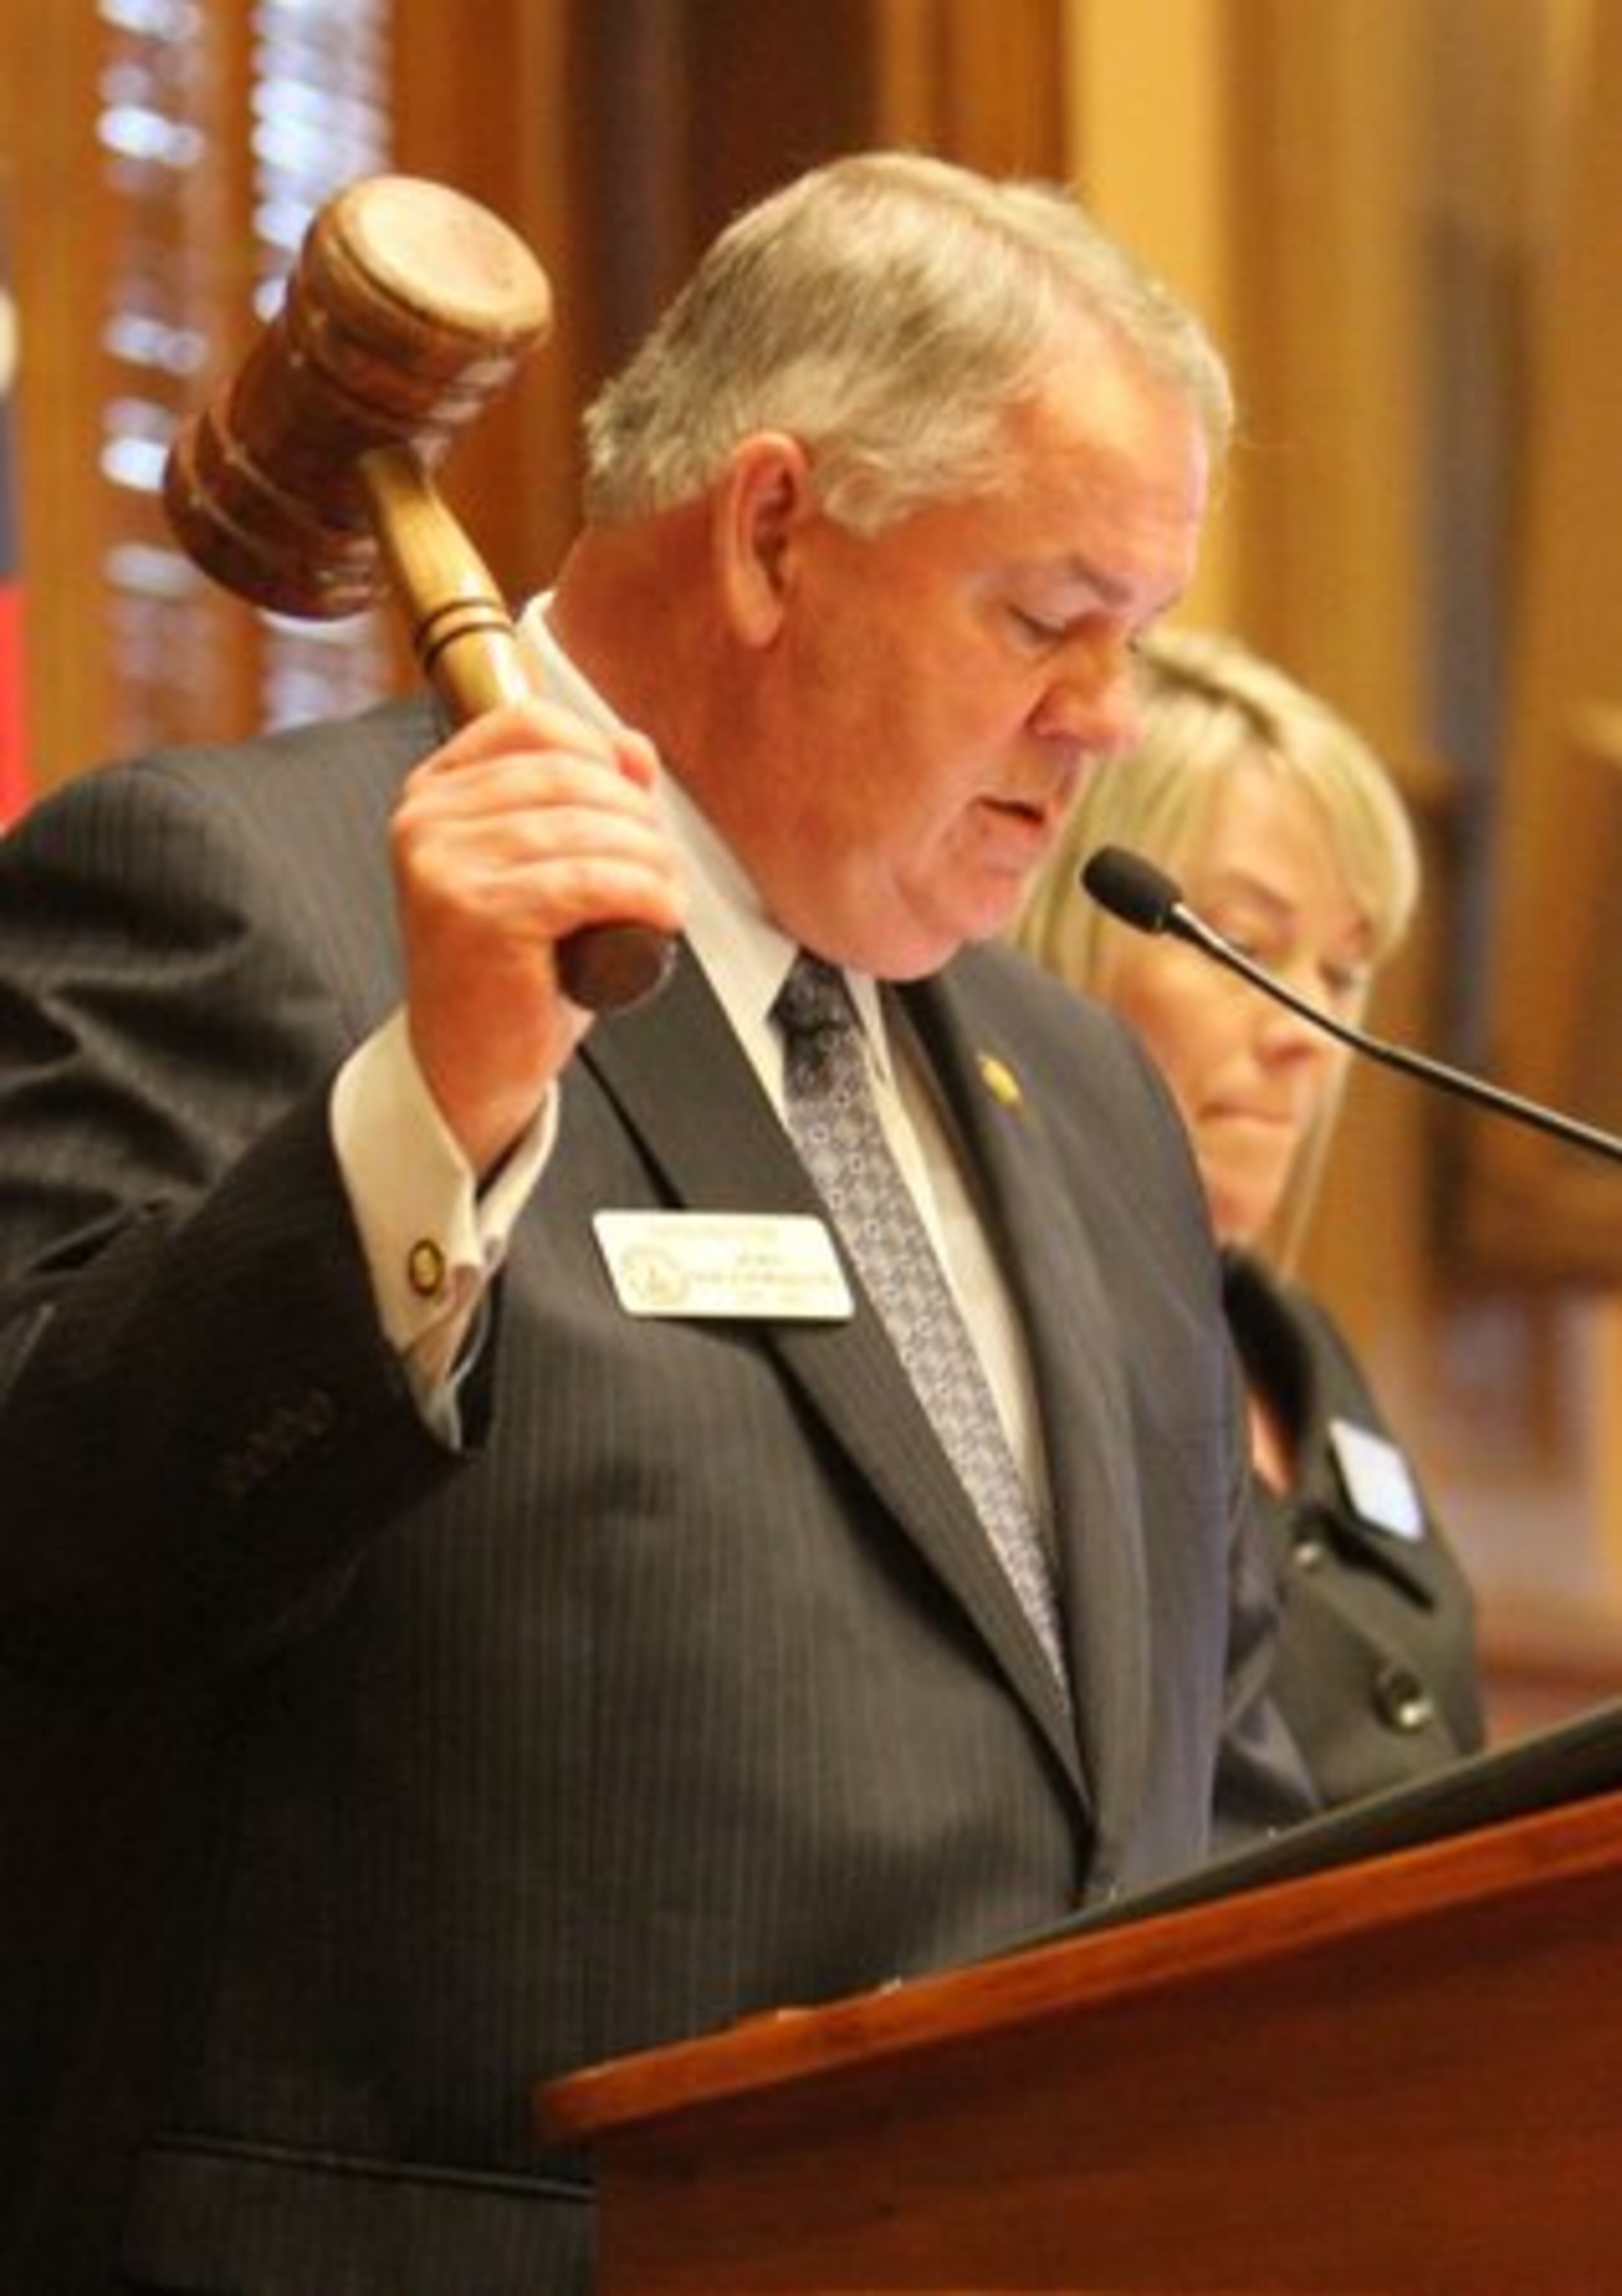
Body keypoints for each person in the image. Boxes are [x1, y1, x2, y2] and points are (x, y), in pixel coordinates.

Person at [0, 154, 1309, 2294]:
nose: (1106, 720)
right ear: (777, 532)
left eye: (1136, 639)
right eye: (1048, 619)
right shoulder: (250, 895)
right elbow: (58, 1558)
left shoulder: (1080, 1098)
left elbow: (1219, 1809)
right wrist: (435, 1110)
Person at [1016, 626, 1488, 1818]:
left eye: (1338, 972)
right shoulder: (1011, 1329)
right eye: (1247, 947)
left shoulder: (1295, 1343)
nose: (1308, 1036)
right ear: (1055, 938)